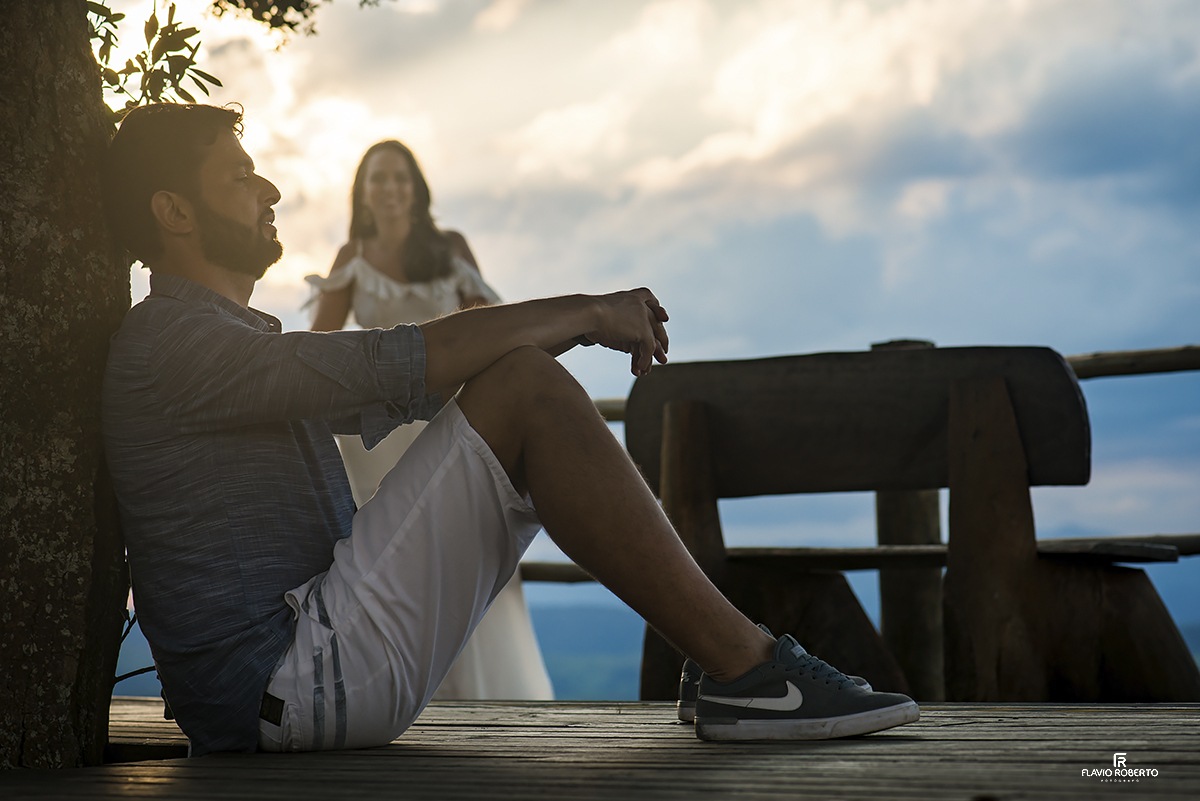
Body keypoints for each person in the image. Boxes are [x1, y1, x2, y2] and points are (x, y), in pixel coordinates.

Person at [100, 103, 919, 757]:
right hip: (287, 684)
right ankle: (750, 670)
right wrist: (590, 312)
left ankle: (731, 663)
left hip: (297, 668)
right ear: (174, 209)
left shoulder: (204, 339)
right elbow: (393, 362)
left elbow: (413, 378)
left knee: (516, 382)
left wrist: (557, 328)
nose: (270, 189)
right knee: (526, 388)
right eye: (240, 175)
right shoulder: (172, 342)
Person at [304, 141, 552, 702]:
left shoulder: (450, 249)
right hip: (377, 446)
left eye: (400, 177)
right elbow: (318, 351)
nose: (389, 188)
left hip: (448, 420)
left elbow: (492, 326)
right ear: (362, 192)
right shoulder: (351, 257)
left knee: (465, 544)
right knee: (392, 558)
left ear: (416, 188)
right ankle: (401, 696)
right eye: (377, 179)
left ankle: (482, 697)